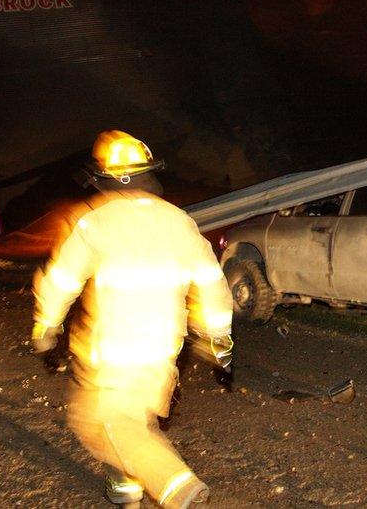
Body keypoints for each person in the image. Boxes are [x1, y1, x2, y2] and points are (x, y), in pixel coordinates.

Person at [31, 130, 234, 508]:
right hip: (163, 348)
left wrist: (46, 326)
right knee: (134, 421)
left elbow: (62, 280)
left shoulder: (93, 222)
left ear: (103, 177)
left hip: (113, 349)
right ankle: (126, 487)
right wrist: (219, 336)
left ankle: (177, 485)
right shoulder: (178, 221)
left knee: (96, 421)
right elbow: (211, 281)